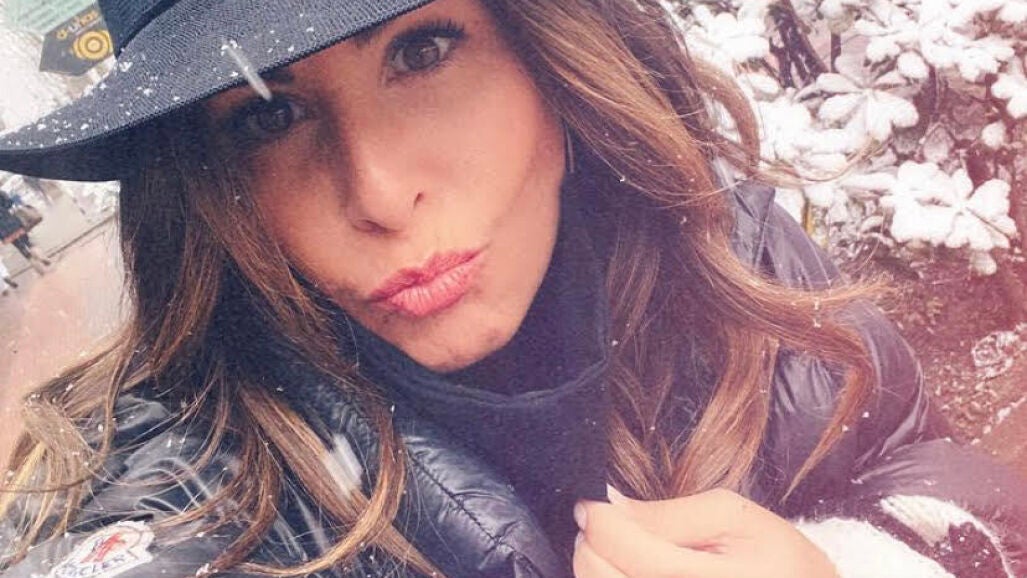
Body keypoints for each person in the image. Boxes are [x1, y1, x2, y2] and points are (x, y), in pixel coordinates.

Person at [0, 0, 1023, 577]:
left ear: (552, 58)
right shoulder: (188, 490)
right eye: (267, 117)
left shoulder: (715, 241)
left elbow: (906, 453)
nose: (378, 192)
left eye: (421, 51)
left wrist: (855, 560)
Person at [0, 191, 50, 274]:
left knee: (20, 247)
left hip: (2, 230)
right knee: (28, 242)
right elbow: (9, 203)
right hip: (11, 222)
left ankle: (40, 270)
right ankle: (40, 256)